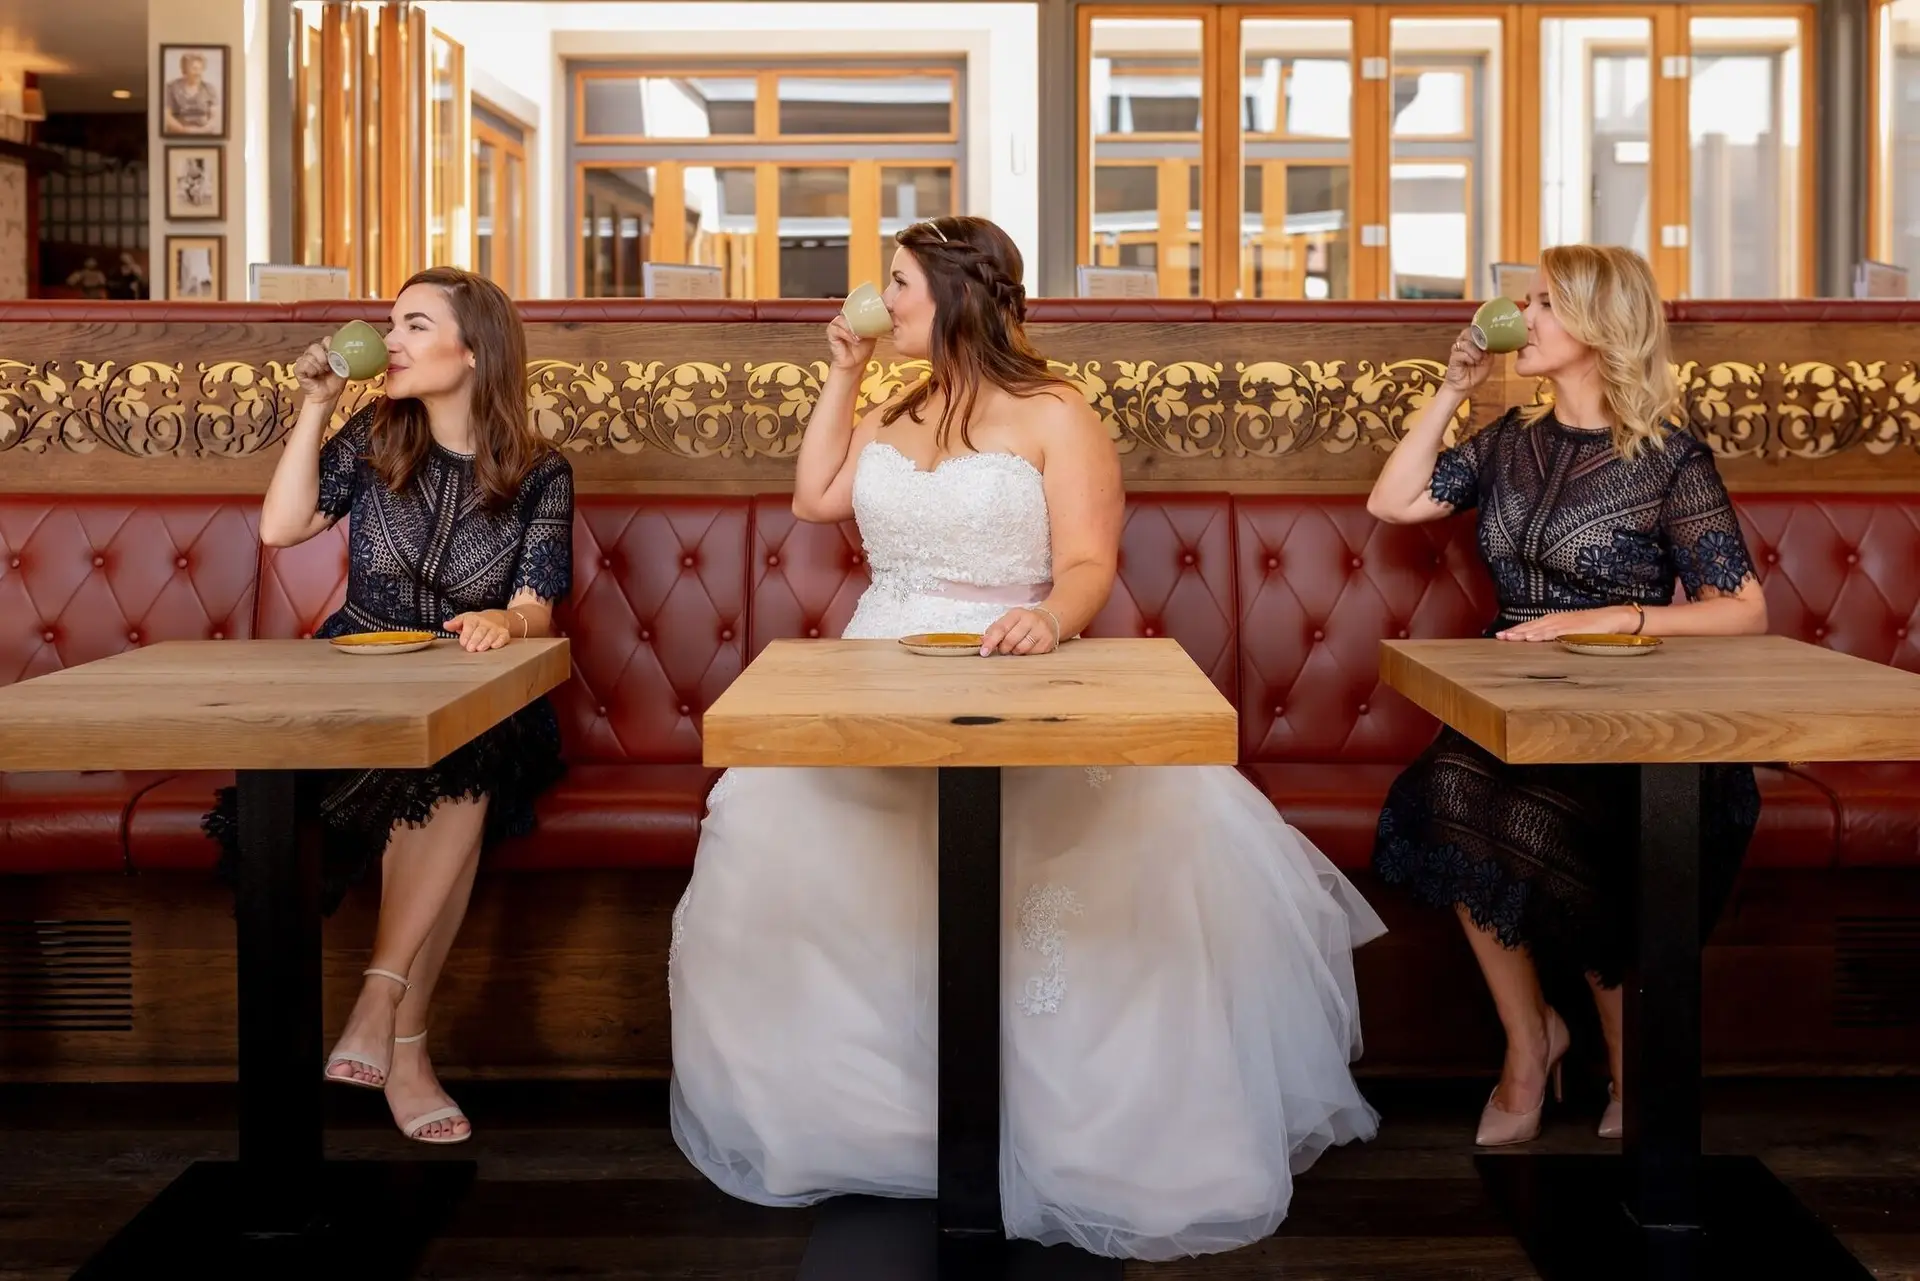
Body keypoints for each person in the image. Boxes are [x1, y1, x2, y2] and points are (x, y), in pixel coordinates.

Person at [668, 216, 1385, 1260]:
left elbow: (1089, 563)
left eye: (899, 282)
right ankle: (886, 1124)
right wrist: (841, 372)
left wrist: (1049, 617)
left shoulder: (1057, 411)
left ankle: (1060, 1126)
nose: (885, 296)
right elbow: (815, 499)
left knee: (1063, 859)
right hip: (880, 666)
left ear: (955, 293)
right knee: (773, 818)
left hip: (1012, 657)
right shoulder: (893, 402)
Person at [1365, 244, 1767, 1146]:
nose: (1523, 317)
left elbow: (1743, 610)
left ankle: (1630, 1062)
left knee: (1603, 824)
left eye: (1545, 302)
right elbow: (1393, 503)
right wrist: (1451, 389)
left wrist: (1618, 618)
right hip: (1514, 701)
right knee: (1446, 792)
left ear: (1597, 326)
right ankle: (1529, 1037)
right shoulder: (1508, 441)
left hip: (1634, 705)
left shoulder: (1668, 458)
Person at [202, 267, 573, 1144]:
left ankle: (378, 996)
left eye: (414, 326)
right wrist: (313, 407)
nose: (390, 342)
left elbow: (539, 608)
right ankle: (402, 1039)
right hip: (355, 679)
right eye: (392, 326)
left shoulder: (537, 470)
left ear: (474, 351)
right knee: (446, 776)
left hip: (481, 696)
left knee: (462, 751)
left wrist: (501, 618)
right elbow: (281, 528)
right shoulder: (375, 436)